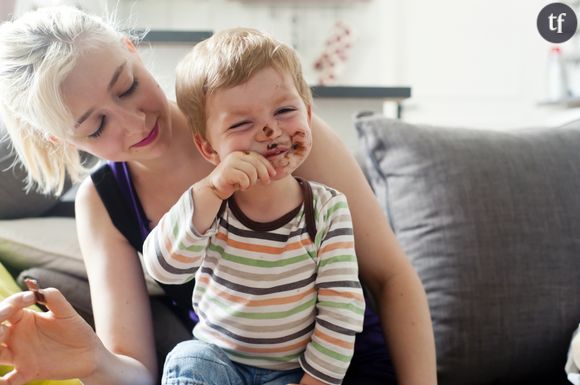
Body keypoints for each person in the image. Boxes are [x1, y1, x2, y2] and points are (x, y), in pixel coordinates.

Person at [0, 5, 436, 385]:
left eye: (127, 86)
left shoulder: (277, 129)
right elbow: (139, 372)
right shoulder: (101, 203)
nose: (134, 123)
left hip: (344, 368)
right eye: (96, 127)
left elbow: (390, 276)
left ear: (132, 50)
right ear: (60, 140)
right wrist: (91, 361)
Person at [141, 27, 365, 385]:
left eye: (285, 110)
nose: (269, 130)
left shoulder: (326, 209)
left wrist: (314, 381)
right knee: (187, 357)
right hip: (219, 362)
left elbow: (341, 310)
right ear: (209, 149)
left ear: (307, 114)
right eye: (243, 123)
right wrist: (211, 191)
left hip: (293, 372)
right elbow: (163, 270)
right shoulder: (209, 204)